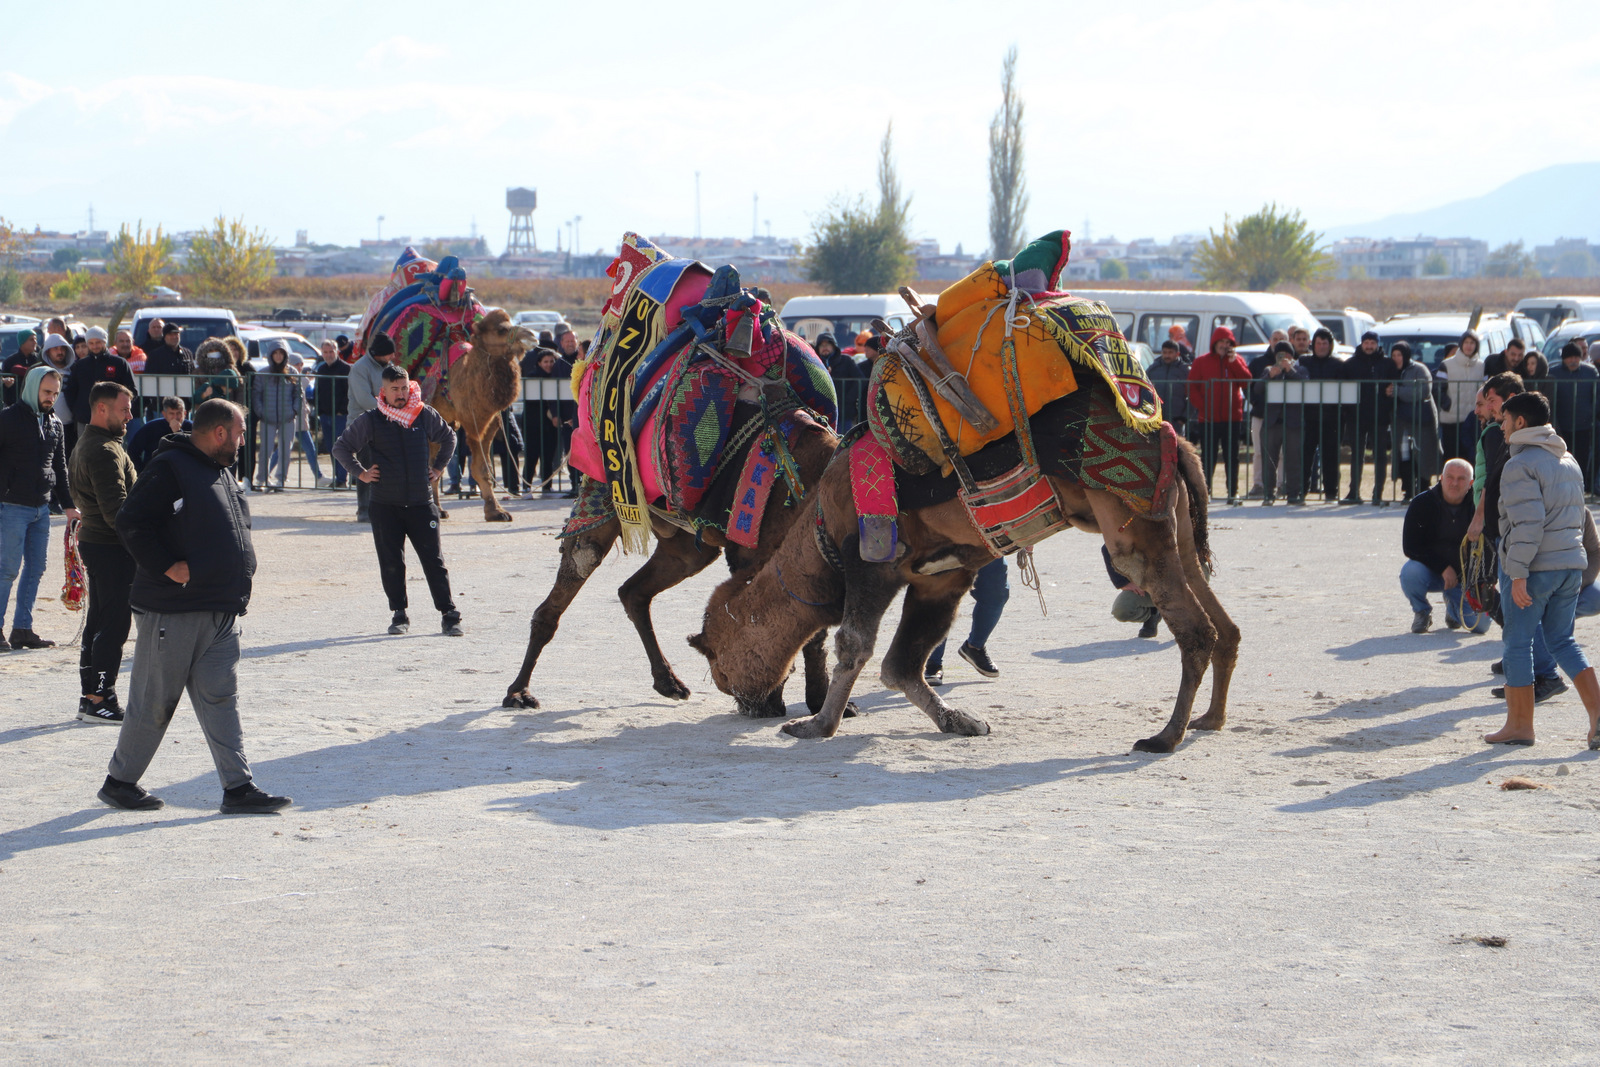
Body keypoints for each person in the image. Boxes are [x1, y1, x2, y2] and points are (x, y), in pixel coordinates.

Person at [99, 398, 292, 813]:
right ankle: (119, 782)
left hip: (220, 609)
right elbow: (131, 521)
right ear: (219, 432)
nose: (243, 441)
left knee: (222, 699)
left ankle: (238, 788)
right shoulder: (169, 468)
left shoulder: (222, 471)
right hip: (174, 611)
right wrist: (167, 566)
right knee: (153, 701)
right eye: (240, 433)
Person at [1486, 390, 1600, 749]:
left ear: (1520, 422)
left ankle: (1520, 726)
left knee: (1517, 644)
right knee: (1563, 641)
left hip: (1537, 568)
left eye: (1504, 419)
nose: (1500, 426)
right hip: (1570, 566)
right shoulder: (1569, 460)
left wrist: (1517, 573)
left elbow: (1528, 525)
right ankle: (1599, 718)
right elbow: (1579, 518)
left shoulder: (1519, 465)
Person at [332, 365, 463, 637]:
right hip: (385, 505)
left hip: (420, 503)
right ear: (384, 391)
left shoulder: (423, 414)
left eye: (404, 388)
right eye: (395, 390)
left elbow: (449, 437)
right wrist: (361, 473)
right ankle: (399, 614)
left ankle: (449, 614)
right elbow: (341, 447)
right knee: (392, 562)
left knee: (434, 561)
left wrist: (438, 468)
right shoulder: (372, 419)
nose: (401, 394)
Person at [69, 381, 139, 723]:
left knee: (99, 621)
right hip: (110, 548)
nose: (130, 415)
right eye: (124, 409)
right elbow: (117, 512)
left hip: (98, 544)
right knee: (112, 625)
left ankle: (91, 696)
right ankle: (100, 697)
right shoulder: (103, 449)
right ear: (102, 409)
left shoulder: (94, 441)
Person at [0, 366, 81, 650]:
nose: (51, 398)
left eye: (56, 393)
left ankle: (22, 629)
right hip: (10, 505)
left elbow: (59, 467)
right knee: (6, 569)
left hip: (42, 508)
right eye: (47, 392)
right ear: (32, 387)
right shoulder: (7, 419)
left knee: (36, 569)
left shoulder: (55, 423)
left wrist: (70, 506)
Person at [1401, 458, 1488, 634]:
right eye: (1450, 477)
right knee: (1409, 572)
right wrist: (1442, 567)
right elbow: (1410, 546)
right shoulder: (1422, 503)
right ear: (1441, 478)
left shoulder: (1479, 506)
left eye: (1461, 479)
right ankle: (1422, 611)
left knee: (1480, 626)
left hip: (1467, 577)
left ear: (1471, 483)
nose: (1454, 483)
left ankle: (1453, 608)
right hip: (1432, 571)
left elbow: (1489, 547)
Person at [1186, 326, 1252, 503]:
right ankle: (1204, 492)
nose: (1224, 345)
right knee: (1208, 456)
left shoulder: (1236, 360)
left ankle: (1233, 491)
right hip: (1208, 418)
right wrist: (1204, 407)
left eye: (1228, 342)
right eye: (1221, 341)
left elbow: (1246, 381)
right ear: (1214, 343)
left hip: (1232, 418)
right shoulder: (1201, 361)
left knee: (1232, 456)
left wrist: (1233, 362)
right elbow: (1192, 388)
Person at [923, 558, 1008, 684]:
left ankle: (974, 647)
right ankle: (931, 663)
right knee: (940, 596)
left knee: (996, 595)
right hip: (945, 543)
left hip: (987, 544)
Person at [347, 330, 393, 522]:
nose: (392, 357)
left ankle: (384, 507)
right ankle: (364, 508)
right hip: (363, 424)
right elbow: (364, 399)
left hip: (386, 424)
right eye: (389, 353)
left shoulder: (390, 367)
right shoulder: (359, 368)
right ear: (378, 353)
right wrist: (391, 410)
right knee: (366, 467)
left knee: (386, 468)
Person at [1386, 342, 1441, 499]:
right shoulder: (1391, 370)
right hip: (1401, 422)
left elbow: (1423, 390)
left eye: (1399, 355)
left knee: (1422, 454)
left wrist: (1397, 391)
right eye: (1394, 355)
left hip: (1421, 420)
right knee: (1404, 456)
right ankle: (1408, 490)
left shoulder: (1419, 369)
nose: (1396, 358)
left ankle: (1423, 489)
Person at [1343, 330, 1392, 504]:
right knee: (1356, 455)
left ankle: (1377, 494)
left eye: (1372, 343)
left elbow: (1394, 384)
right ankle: (1353, 492)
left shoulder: (1387, 364)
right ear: (1362, 344)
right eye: (1366, 343)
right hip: (1356, 417)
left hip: (1380, 417)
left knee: (1380, 456)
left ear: (1378, 344)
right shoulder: (1350, 364)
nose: (1369, 346)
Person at [1256, 341, 1307, 505]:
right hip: (1272, 422)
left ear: (1292, 356)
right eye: (1280, 355)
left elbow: (1305, 384)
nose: (1283, 358)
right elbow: (1257, 389)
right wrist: (1269, 376)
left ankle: (1293, 494)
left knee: (1294, 459)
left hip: (1293, 422)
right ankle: (1268, 494)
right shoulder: (1268, 370)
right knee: (1269, 460)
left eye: (1287, 355)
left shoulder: (1300, 369)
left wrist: (1289, 370)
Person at [63, 326, 137, 436]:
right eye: (91, 343)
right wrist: (77, 411)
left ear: (105, 342)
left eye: (98, 342)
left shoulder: (119, 363)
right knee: (86, 451)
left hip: (113, 420)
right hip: (85, 420)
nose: (95, 346)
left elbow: (131, 391)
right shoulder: (80, 365)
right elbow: (70, 391)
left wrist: (121, 410)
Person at [1299, 327, 1344, 501]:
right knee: (1305, 456)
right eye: (1318, 343)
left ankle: (1331, 492)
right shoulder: (1304, 361)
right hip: (1308, 418)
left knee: (1331, 457)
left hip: (1331, 419)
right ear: (1313, 344)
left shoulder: (1338, 364)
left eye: (1325, 343)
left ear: (1330, 345)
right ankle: (1301, 491)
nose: (1322, 346)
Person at [251, 340, 302, 491]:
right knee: (265, 451)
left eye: (281, 353)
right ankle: (262, 479)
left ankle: (281, 479)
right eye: (275, 353)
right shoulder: (263, 373)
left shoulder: (292, 372)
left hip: (287, 418)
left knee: (286, 449)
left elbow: (298, 394)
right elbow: (256, 395)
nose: (278, 356)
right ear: (270, 355)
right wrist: (261, 412)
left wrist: (294, 410)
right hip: (268, 418)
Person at [1547, 341, 1598, 488]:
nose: (1573, 360)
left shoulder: (1590, 372)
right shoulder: (1553, 373)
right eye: (1570, 357)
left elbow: (1596, 396)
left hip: (1584, 425)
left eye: (1577, 357)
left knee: (1581, 459)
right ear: (1564, 358)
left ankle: (1580, 487)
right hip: (1561, 425)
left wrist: (1592, 414)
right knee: (1561, 459)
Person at [522, 346, 572, 493]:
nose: (549, 364)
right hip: (533, 423)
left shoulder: (556, 377)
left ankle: (547, 485)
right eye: (545, 361)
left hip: (550, 424)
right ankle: (526, 485)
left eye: (551, 361)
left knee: (548, 455)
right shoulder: (532, 377)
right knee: (532, 455)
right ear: (539, 363)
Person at [1437, 330, 1486, 463]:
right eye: (1466, 342)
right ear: (1461, 344)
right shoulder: (1446, 364)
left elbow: (1485, 390)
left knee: (1471, 458)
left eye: (1472, 343)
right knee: (1451, 458)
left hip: (1474, 420)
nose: (1469, 346)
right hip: (1451, 421)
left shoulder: (1482, 366)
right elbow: (1438, 389)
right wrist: (1448, 405)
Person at [312, 340, 351, 487]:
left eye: (331, 351)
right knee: (331, 447)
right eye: (325, 352)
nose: (328, 355)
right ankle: (338, 477)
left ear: (337, 351)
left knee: (341, 446)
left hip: (340, 415)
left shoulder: (346, 369)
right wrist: (319, 408)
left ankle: (342, 479)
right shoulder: (321, 369)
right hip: (325, 414)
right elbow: (317, 391)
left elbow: (349, 393)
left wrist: (342, 410)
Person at [1103, 545, 1162, 638]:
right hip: (1148, 586)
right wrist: (1122, 582)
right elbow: (1108, 547)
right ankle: (1153, 613)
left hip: (1179, 588)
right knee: (1122, 610)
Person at [817, 332, 868, 433]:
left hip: (844, 410)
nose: (825, 347)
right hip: (821, 410)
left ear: (834, 346)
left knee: (844, 440)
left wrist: (848, 398)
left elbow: (860, 380)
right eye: (822, 345)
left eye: (828, 345)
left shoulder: (846, 360)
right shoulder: (815, 362)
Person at [128, 397, 189, 471]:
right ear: (164, 414)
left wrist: (178, 432)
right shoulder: (152, 427)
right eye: (171, 414)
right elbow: (133, 450)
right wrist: (142, 471)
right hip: (155, 472)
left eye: (178, 413)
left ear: (184, 413)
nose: (175, 417)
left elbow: (193, 449)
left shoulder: (192, 428)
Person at [1146, 339, 1189, 438]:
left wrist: (1184, 417)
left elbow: (1192, 395)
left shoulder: (1184, 371)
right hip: (1156, 418)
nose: (1167, 355)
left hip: (1176, 419)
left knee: (1177, 448)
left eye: (1170, 352)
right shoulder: (1153, 369)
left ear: (1177, 353)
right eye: (1164, 352)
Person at [2, 330, 40, 406]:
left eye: (35, 339)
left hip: (36, 404)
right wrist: (6, 384)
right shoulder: (10, 362)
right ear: (22, 342)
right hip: (14, 406)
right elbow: (3, 387)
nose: (35, 342)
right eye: (31, 339)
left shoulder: (40, 360)